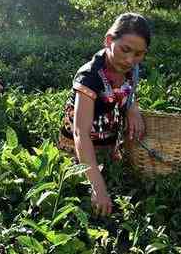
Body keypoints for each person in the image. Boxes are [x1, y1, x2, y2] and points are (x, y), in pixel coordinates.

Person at [58, 12, 151, 217]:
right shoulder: (89, 76)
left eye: (138, 54)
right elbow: (80, 132)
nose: (130, 59)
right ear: (109, 40)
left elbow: (128, 92)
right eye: (125, 50)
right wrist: (98, 188)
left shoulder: (131, 69)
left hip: (106, 131)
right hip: (79, 140)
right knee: (78, 186)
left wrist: (132, 107)